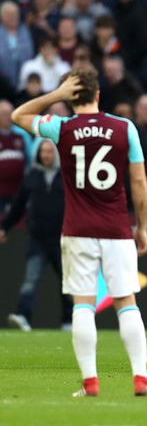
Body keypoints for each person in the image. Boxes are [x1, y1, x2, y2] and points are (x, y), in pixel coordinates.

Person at [11, 68, 147, 397]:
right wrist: (143, 227)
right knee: (126, 302)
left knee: (83, 304)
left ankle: (90, 382)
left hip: (77, 230)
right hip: (117, 229)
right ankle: (141, 379)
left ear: (71, 95)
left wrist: (55, 96)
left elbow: (20, 115)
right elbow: (138, 182)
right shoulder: (125, 128)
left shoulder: (60, 128)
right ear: (98, 95)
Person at [2, 139, 72, 332]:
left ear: (56, 154)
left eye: (50, 151)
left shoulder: (67, 177)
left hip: (62, 240)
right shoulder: (32, 177)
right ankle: (23, 316)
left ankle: (69, 321)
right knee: (30, 280)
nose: (46, 155)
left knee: (67, 283)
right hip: (37, 239)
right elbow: (17, 206)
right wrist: (5, 227)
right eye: (43, 151)